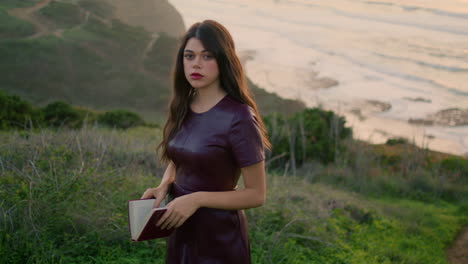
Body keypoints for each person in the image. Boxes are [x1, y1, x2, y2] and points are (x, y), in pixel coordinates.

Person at [140, 19, 271, 264]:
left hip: (219, 239)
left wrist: (196, 199)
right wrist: (163, 187)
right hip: (180, 230)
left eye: (207, 56)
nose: (196, 64)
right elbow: (181, 158)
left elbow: (256, 195)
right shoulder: (183, 105)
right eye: (189, 56)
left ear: (224, 60)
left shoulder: (239, 117)